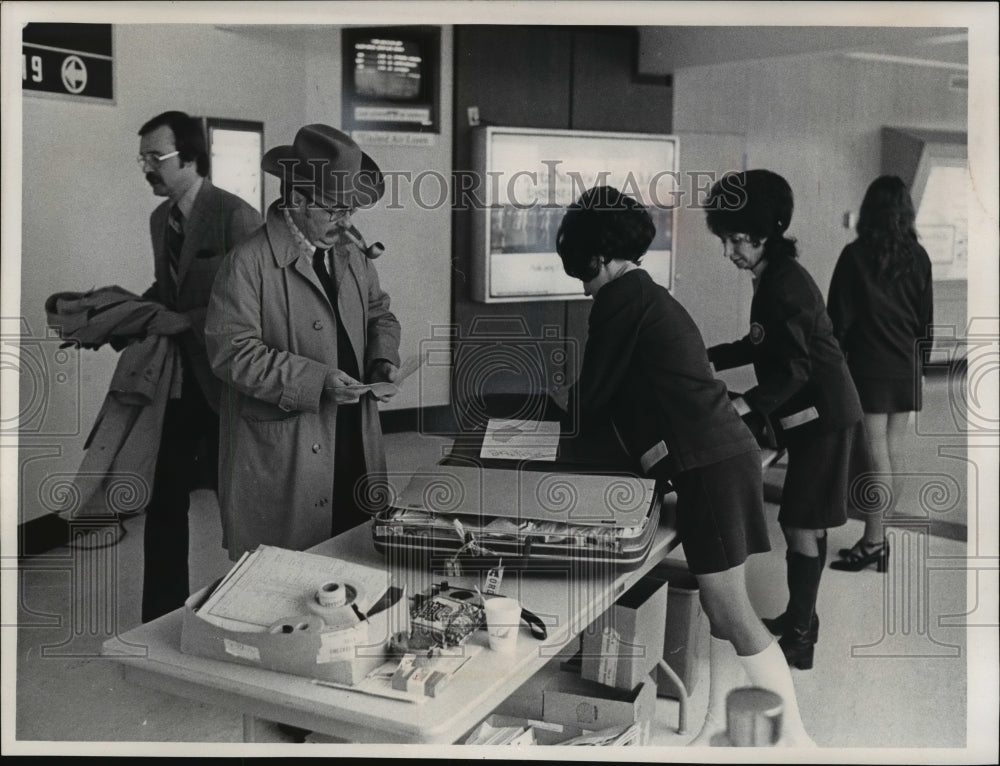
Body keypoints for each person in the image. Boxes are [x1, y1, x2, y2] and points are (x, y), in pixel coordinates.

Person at [556, 185, 815, 747]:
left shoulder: (620, 300)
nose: (583, 282)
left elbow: (590, 400)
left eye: (582, 269)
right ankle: (746, 729)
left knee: (734, 615)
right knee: (724, 617)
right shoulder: (643, 293)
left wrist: (535, 435)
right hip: (717, 461)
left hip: (713, 468)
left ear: (596, 258)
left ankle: (796, 739)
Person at [204, 124, 401, 562]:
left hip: (353, 437)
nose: (346, 222)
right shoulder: (247, 262)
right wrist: (317, 381)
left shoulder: (349, 251)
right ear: (296, 200)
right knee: (288, 577)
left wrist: (382, 358)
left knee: (360, 559)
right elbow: (232, 353)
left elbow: (379, 314)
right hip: (287, 450)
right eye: (334, 210)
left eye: (351, 209)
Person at [705, 170, 871, 671]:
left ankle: (800, 638)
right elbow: (761, 343)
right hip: (815, 415)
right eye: (725, 239)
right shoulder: (774, 275)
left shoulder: (784, 285)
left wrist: (745, 405)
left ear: (765, 232)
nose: (730, 250)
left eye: (738, 239)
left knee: (800, 523)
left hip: (823, 417)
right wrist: (705, 356)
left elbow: (796, 367)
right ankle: (804, 620)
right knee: (806, 522)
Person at [136, 111, 262, 622]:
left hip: (230, 386)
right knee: (163, 499)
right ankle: (161, 618)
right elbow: (166, 292)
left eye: (155, 157)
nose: (146, 167)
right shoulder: (159, 219)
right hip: (179, 382)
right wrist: (115, 314)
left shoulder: (236, 215)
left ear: (190, 156)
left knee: (246, 507)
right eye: (142, 157)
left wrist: (182, 319)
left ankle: (255, 612)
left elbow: (259, 307)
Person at [826, 175, 934, 571]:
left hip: (870, 366)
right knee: (893, 450)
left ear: (869, 210)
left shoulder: (855, 256)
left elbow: (837, 321)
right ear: (905, 212)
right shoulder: (918, 256)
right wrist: (921, 366)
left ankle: (873, 542)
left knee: (874, 453)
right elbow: (926, 321)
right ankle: (880, 537)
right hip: (906, 363)